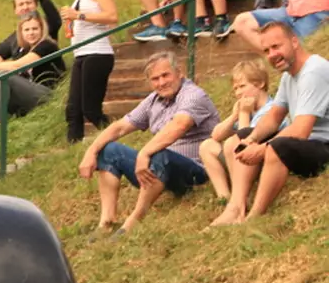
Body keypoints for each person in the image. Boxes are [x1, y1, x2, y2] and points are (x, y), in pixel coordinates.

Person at [78, 52, 219, 236]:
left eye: (165, 75)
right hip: (160, 168)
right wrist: (91, 150)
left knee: (159, 153)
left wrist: (144, 153)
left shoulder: (194, 95)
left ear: (180, 72)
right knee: (109, 150)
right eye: (155, 79)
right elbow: (120, 127)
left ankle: (133, 220)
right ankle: (106, 221)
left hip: (194, 171)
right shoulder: (154, 100)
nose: (161, 82)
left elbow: (179, 125)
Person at [211, 22, 329, 226]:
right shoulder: (289, 76)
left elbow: (301, 130)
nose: (272, 54)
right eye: (266, 50)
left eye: (276, 46)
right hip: (308, 141)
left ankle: (253, 217)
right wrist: (251, 139)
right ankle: (236, 208)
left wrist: (262, 149)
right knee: (241, 136)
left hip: (324, 144)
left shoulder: (313, 72)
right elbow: (274, 117)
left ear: (294, 42)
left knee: (277, 147)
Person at [0, 13, 63, 133]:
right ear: (21, 32)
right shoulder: (23, 49)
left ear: (42, 29)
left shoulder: (47, 45)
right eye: (27, 29)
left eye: (35, 29)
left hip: (48, 95)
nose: (31, 33)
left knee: (4, 76)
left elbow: (17, 66)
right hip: (27, 96)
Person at [59, 0, 118, 143]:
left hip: (97, 52)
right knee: (73, 109)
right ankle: (72, 150)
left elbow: (111, 16)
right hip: (82, 52)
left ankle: (118, 134)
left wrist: (79, 15)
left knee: (90, 109)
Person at [199, 60, 277, 202]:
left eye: (242, 86)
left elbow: (243, 142)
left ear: (260, 84)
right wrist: (235, 115)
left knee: (232, 142)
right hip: (240, 159)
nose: (238, 92)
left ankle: (240, 197)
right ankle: (224, 197)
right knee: (207, 146)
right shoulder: (248, 110)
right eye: (235, 89)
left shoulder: (270, 110)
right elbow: (215, 135)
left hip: (260, 159)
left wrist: (244, 114)